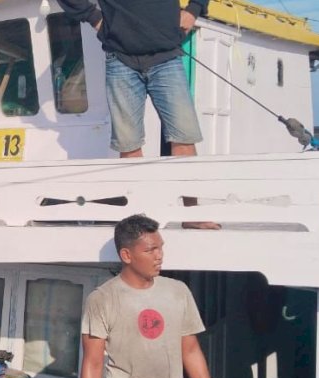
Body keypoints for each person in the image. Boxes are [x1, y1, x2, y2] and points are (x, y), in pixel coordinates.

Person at [80, 214, 230, 378]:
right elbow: (92, 364)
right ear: (126, 255)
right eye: (151, 250)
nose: (159, 255)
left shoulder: (178, 292)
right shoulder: (102, 299)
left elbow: (191, 351)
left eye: (161, 248)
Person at [59, 0, 218, 229]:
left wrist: (194, 9)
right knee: (129, 143)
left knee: (184, 137)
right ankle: (137, 220)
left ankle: (191, 214)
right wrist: (94, 17)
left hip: (166, 55)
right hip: (120, 58)